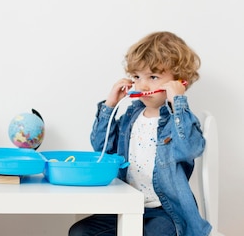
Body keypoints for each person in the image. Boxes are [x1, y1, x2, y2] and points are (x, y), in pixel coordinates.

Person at [68, 31, 212, 236]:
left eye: (153, 77)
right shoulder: (131, 115)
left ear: (179, 82)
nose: (142, 85)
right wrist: (110, 104)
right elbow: (101, 147)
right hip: (126, 205)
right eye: (137, 77)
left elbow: (190, 148)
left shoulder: (179, 121)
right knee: (80, 232)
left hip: (165, 212)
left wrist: (178, 103)